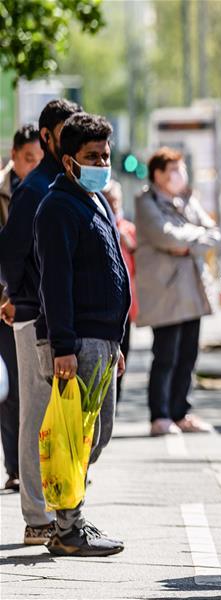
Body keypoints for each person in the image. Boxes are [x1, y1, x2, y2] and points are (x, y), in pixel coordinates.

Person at [33, 112, 129, 556]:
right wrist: (64, 346)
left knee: (97, 432)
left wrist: (117, 343)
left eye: (106, 155)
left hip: (104, 340)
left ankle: (70, 519)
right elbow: (56, 282)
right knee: (78, 435)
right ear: (69, 160)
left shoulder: (95, 200)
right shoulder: (57, 207)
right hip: (80, 341)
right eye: (93, 156)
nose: (102, 163)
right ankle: (68, 527)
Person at [0, 98, 82, 545]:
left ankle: (60, 506)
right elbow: (10, 251)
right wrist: (19, 296)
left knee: (65, 419)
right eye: (66, 130)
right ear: (48, 135)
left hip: (65, 321)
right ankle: (37, 516)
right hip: (35, 320)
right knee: (35, 416)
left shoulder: (70, 182)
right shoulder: (36, 188)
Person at [135, 148, 220, 437]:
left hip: (192, 291)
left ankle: (180, 412)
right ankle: (159, 416)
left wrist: (187, 242)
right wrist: (191, 238)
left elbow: (212, 232)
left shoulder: (188, 199)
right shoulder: (146, 201)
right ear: (157, 174)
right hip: (165, 293)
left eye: (180, 169)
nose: (178, 175)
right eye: (172, 170)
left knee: (188, 355)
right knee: (165, 355)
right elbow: (165, 235)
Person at [0, 124, 43, 492]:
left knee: (33, 387)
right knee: (11, 388)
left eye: (38, 159)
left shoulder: (46, 190)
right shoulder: (4, 191)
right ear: (13, 156)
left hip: (28, 302)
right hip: (5, 305)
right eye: (28, 158)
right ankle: (15, 467)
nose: (33, 165)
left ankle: (37, 465)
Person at [104, 180, 137, 401]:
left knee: (125, 350)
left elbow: (138, 260)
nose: (114, 206)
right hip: (104, 303)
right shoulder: (97, 225)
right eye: (109, 201)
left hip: (126, 304)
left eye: (116, 201)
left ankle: (117, 397)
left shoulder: (128, 229)